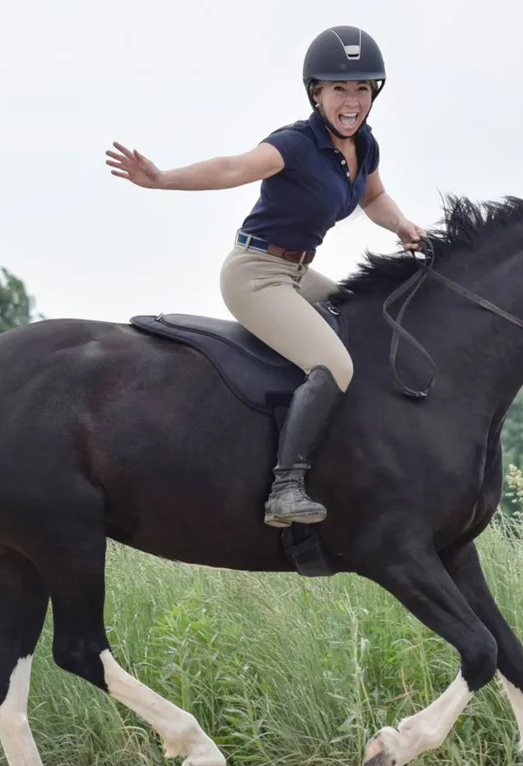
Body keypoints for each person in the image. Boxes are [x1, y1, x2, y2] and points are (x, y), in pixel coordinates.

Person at [105, 25, 425, 528]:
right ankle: (286, 488)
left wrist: (403, 223)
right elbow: (233, 167)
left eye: (362, 88)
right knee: (334, 363)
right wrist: (162, 179)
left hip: (296, 272)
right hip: (255, 276)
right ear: (316, 93)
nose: (352, 100)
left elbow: (374, 197)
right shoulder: (294, 145)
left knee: (367, 316)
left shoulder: (364, 145)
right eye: (339, 88)